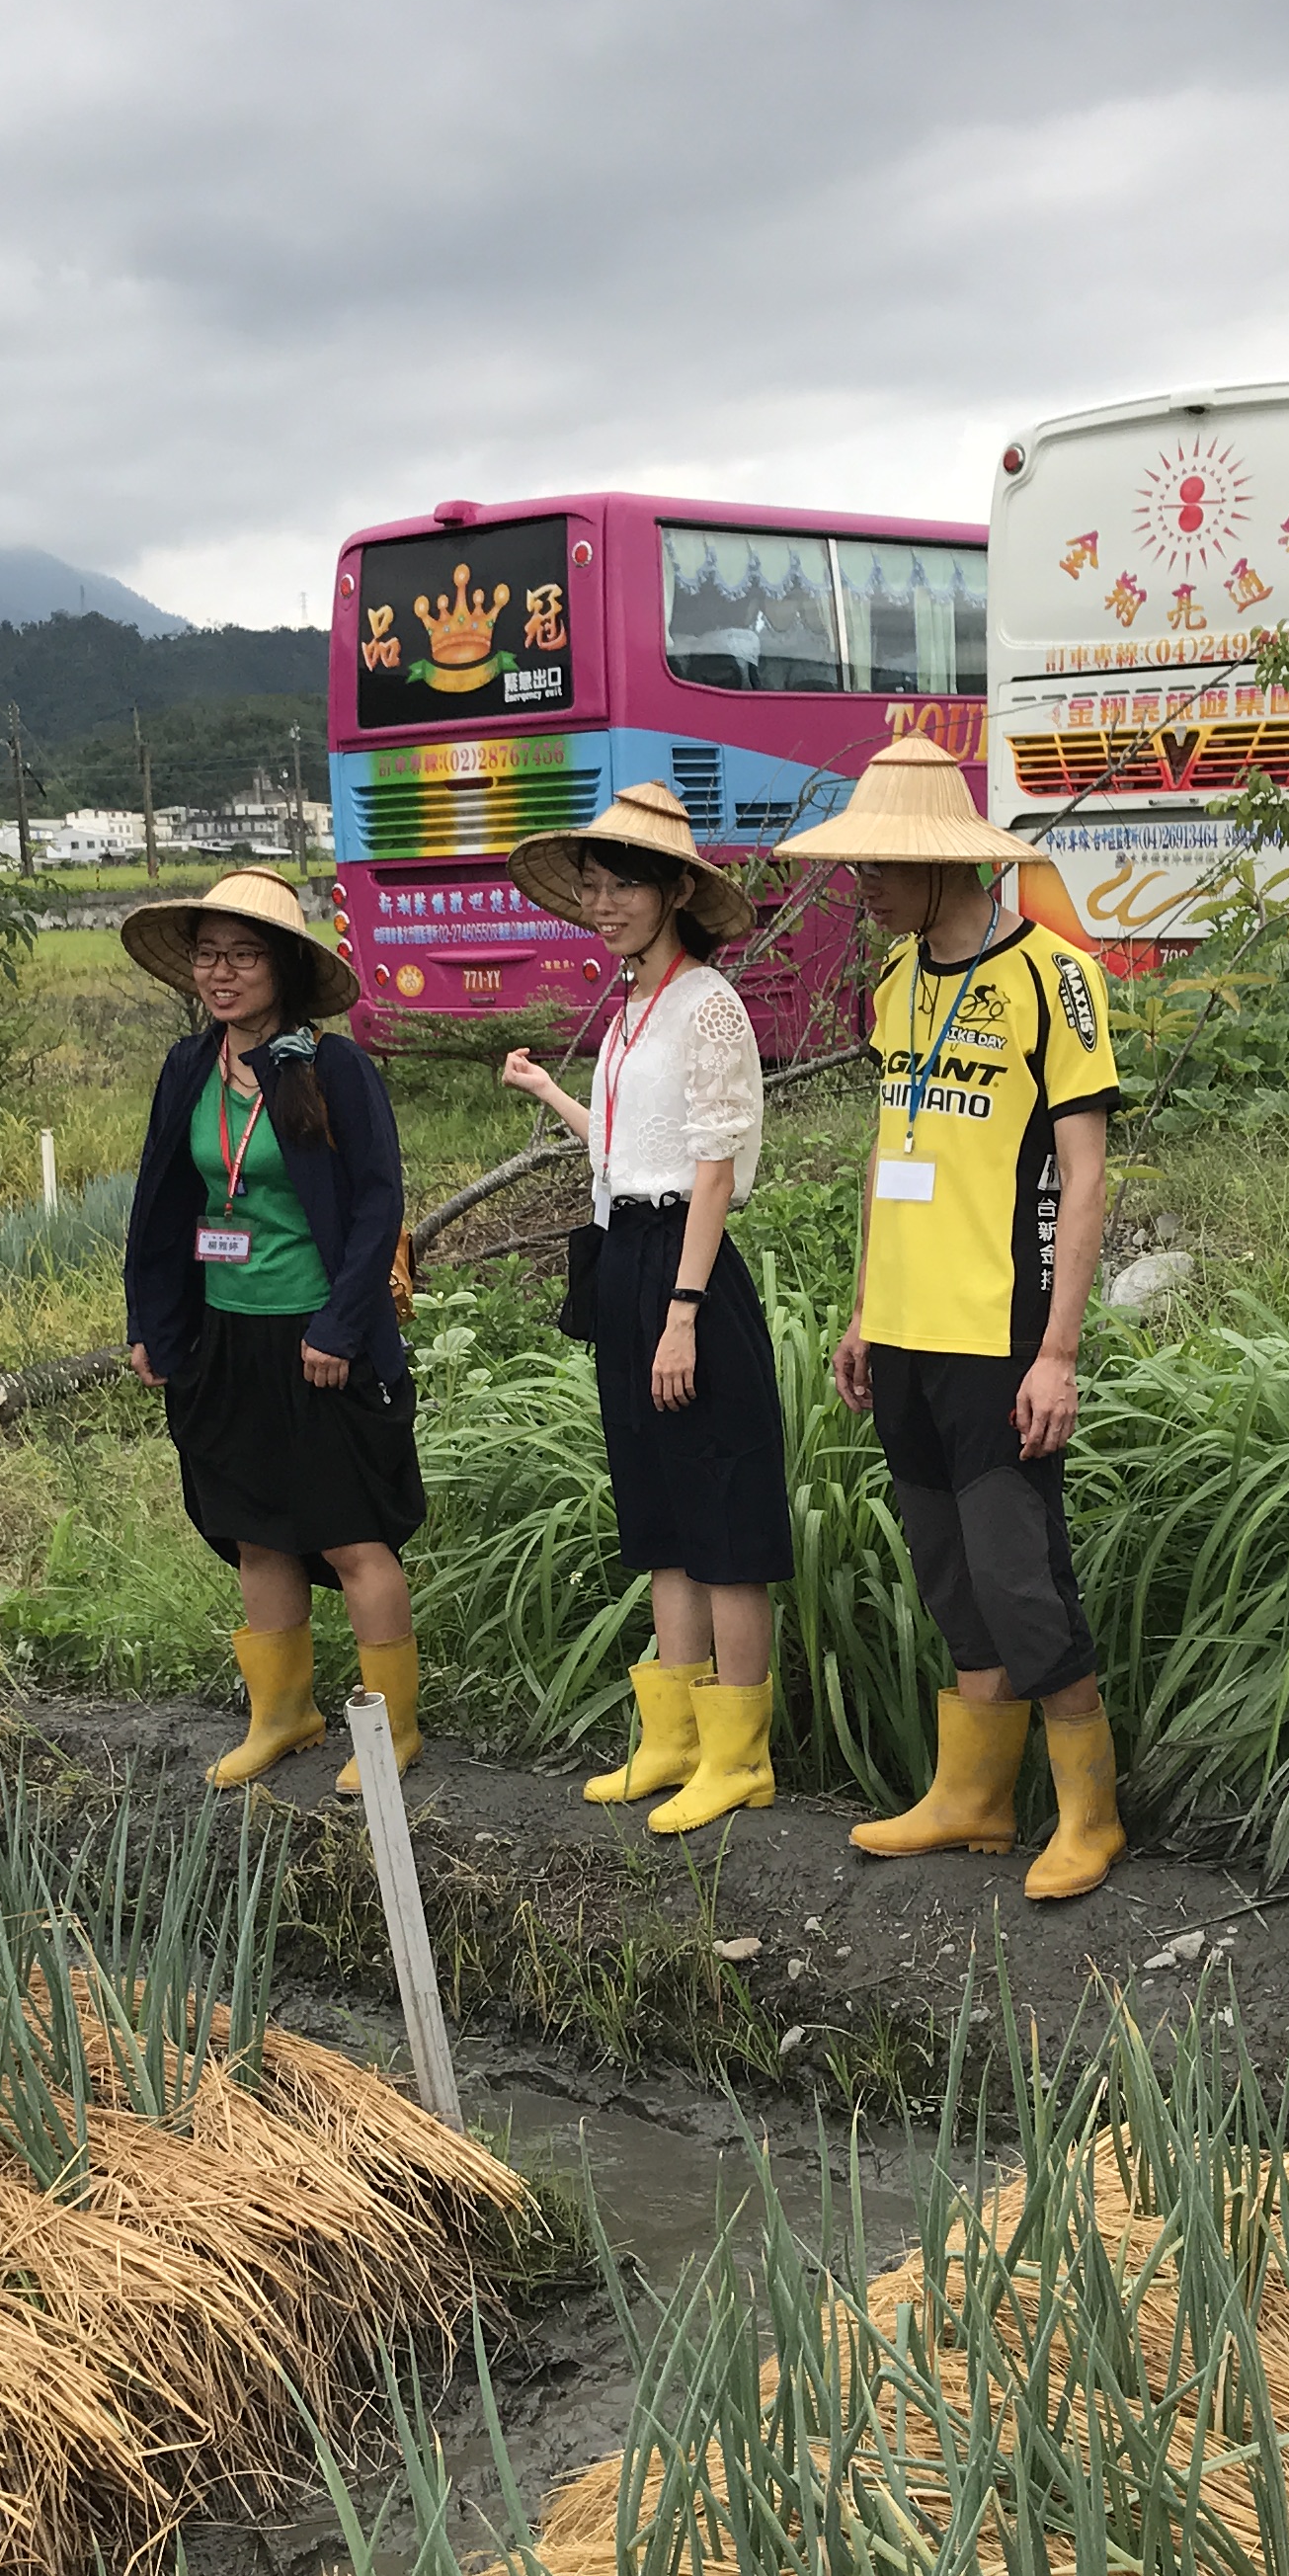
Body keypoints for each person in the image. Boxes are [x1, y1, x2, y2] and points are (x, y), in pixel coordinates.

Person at [776, 734, 1126, 1904]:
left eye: (879, 865)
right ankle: (973, 1798)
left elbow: (1084, 1175)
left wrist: (1060, 1351)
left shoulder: (1055, 977)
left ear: (943, 863)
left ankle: (1090, 1814)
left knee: (1022, 1577)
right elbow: (891, 1155)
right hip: (909, 1333)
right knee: (946, 1573)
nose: (861, 885)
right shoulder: (897, 984)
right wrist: (865, 1308)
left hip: (1002, 1336)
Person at [497, 786, 793, 1835]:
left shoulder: (707, 1000)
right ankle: (672, 1741)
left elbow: (711, 1170)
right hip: (627, 1252)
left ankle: (738, 1756)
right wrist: (553, 1096)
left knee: (726, 1517)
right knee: (661, 1513)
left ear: (676, 891)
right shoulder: (632, 1008)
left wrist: (682, 1308)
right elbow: (631, 1152)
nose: (603, 901)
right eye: (592, 883)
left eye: (624, 883)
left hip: (685, 1268)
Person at [118, 867, 427, 1793]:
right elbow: (163, 1208)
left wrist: (340, 1326)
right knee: (255, 1531)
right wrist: (153, 1323)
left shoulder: (332, 1069)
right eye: (209, 955)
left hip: (317, 1340)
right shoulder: (187, 1068)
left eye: (243, 955)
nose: (222, 973)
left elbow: (379, 1206)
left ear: (284, 967)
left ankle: (391, 1732)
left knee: (351, 1537)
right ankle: (284, 1714)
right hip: (226, 1334)